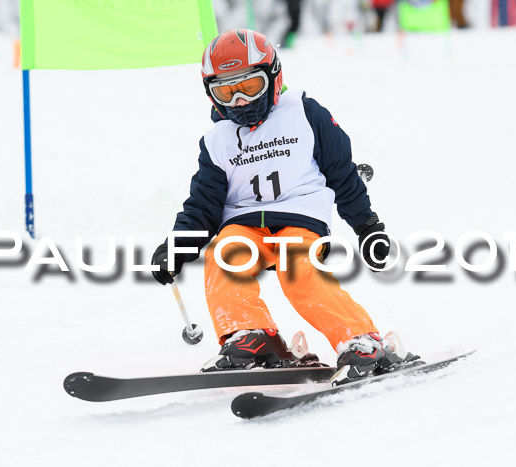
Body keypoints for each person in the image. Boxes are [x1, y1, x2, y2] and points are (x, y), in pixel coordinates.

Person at [151, 29, 417, 385]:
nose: (240, 101)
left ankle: (360, 339)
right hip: (243, 223)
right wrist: (178, 246)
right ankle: (250, 336)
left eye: (249, 86)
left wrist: (367, 226)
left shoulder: (305, 114)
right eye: (226, 92)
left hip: (299, 218)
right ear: (211, 95)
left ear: (274, 78)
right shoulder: (216, 141)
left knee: (299, 269)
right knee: (224, 255)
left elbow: (342, 174)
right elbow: (203, 203)